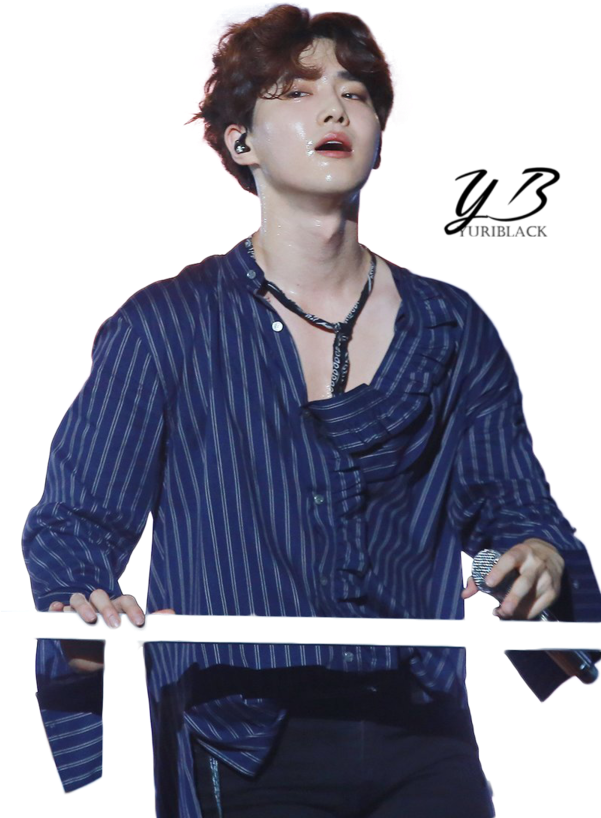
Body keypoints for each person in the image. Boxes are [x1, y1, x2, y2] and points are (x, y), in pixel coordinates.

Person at [23, 5, 599, 815]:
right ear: (240, 142)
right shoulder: (164, 325)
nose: (334, 108)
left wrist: (534, 552)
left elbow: (508, 498)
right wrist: (86, 601)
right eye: (297, 92)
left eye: (355, 93)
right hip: (241, 731)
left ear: (379, 135)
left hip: (422, 728)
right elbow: (77, 519)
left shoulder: (453, 325)